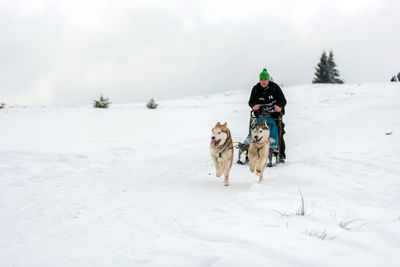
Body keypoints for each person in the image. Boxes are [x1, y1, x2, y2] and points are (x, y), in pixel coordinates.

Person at [248, 68, 287, 162]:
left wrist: (280, 107)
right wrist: (254, 106)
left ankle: (280, 153)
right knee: (255, 130)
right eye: (262, 80)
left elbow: (283, 101)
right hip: (260, 115)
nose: (263, 82)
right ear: (259, 80)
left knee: (279, 132)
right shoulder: (256, 88)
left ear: (268, 79)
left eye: (265, 79)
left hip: (274, 115)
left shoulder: (275, 87)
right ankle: (250, 148)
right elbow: (251, 102)